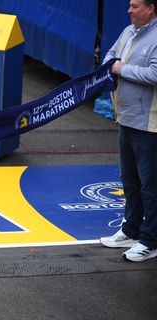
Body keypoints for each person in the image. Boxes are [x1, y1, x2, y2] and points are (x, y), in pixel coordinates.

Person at [100, 0, 157, 262]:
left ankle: (150, 241)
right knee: (129, 181)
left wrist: (122, 68)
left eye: (135, 6)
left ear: (151, 8)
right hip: (125, 118)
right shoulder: (128, 31)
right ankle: (131, 229)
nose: (129, 10)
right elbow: (109, 57)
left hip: (150, 125)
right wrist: (114, 63)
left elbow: (155, 73)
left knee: (150, 186)